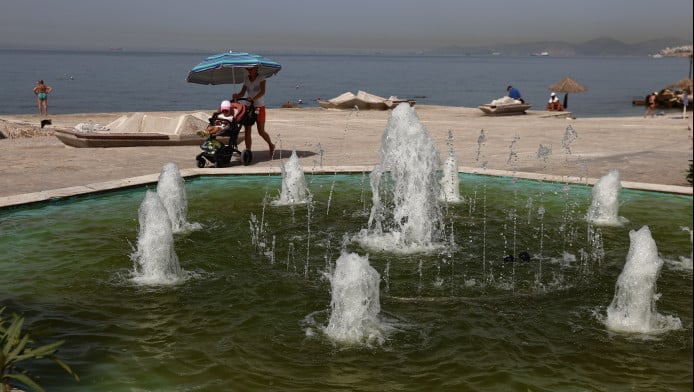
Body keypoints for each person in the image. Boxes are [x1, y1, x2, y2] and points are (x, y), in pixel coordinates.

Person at [232, 66, 275, 158]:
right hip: (248, 107)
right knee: (247, 129)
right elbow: (242, 93)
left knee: (261, 131)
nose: (249, 71)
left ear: (256, 69)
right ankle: (248, 151)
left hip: (259, 107)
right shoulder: (246, 79)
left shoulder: (261, 78)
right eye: (248, 69)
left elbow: (262, 92)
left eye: (251, 69)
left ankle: (271, 145)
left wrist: (253, 98)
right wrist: (237, 95)